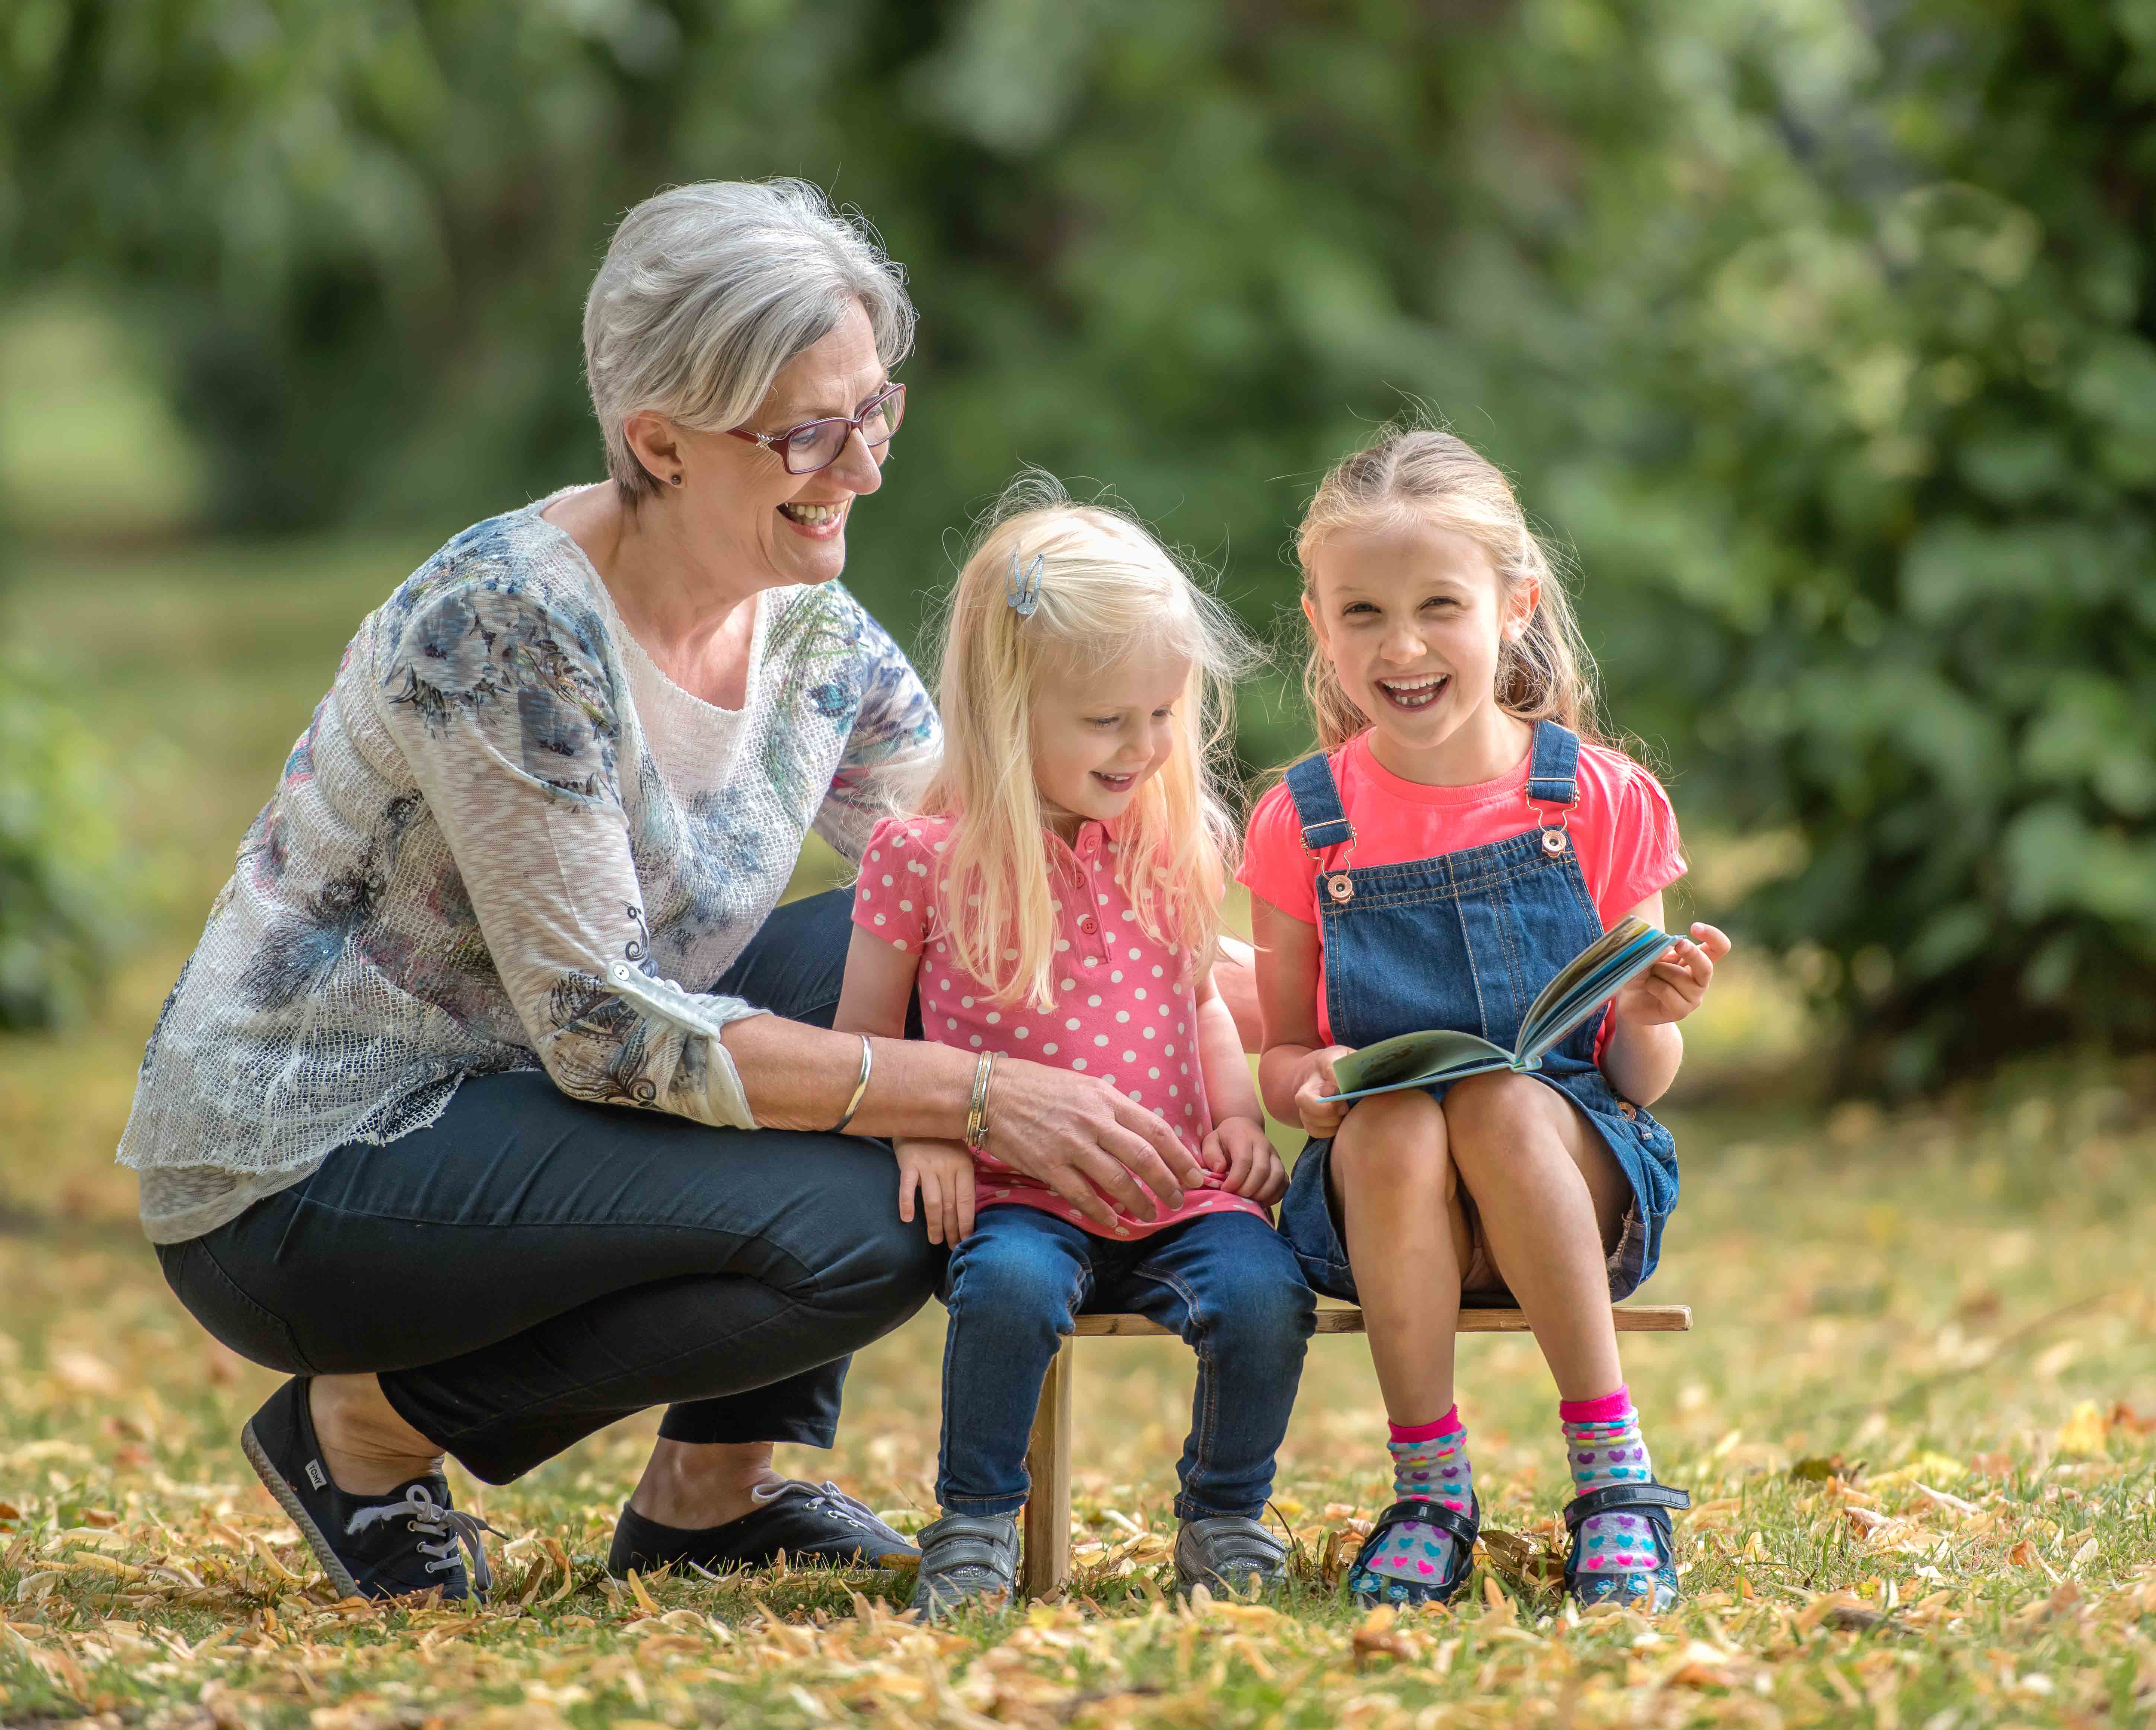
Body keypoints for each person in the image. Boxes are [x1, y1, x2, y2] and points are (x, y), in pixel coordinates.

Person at [114, 181, 1212, 1602]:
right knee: (868, 1228)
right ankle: (362, 1432)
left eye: (876, 410)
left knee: (911, 948)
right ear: (659, 443)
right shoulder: (507, 628)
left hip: (544, 1105)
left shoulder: (808, 626)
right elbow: (611, 1035)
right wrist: (979, 1097)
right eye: (810, 433)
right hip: (315, 1168)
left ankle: (712, 1496)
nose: (863, 467)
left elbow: (1017, 879)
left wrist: (1319, 1007)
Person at [1241, 428, 1732, 1610]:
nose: (1400, 647)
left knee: (1505, 1100)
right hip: (1392, 1204)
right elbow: (1279, 1054)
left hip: (1571, 1180)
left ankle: (1613, 1478)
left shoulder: (1599, 799)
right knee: (1402, 1120)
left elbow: (1640, 1078)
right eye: (1361, 613)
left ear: (1513, 607)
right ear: (1318, 623)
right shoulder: (1300, 823)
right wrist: (1308, 1086)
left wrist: (1653, 1012)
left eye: (1437, 607)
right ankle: (1429, 1488)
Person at [835, 483, 1315, 1617]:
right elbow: (865, 1034)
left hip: (1177, 1186)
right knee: (1003, 1295)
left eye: (1162, 714)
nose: (1145, 747)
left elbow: (1198, 1000)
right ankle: (976, 1525)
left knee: (1265, 1298)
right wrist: (926, 1128)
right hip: (1014, 1192)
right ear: (1008, 710)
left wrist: (1237, 1118)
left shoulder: (1169, 839)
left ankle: (1226, 1515)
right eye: (1107, 722)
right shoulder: (922, 858)